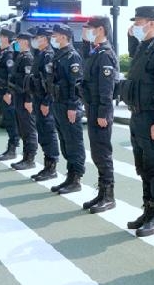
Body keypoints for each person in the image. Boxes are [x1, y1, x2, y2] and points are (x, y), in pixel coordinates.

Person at [120, 6, 154, 237]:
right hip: (138, 116)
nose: (135, 26)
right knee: (143, 167)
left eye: (139, 22)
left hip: (153, 118)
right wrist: (129, 36)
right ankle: (148, 210)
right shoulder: (144, 48)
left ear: (151, 23)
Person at [80, 16, 119, 213]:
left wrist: (103, 111)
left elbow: (107, 87)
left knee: (102, 153)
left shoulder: (105, 54)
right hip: (92, 107)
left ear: (101, 30)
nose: (86, 32)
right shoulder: (95, 52)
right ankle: (102, 192)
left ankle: (109, 195)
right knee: (97, 152)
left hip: (100, 110)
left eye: (90, 28)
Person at [48, 23, 86, 195]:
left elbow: (75, 84)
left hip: (68, 105)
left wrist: (72, 106)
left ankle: (76, 178)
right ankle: (70, 176)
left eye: (55, 35)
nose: (53, 38)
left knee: (73, 142)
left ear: (63, 36)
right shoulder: (59, 55)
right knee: (64, 141)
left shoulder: (72, 56)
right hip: (58, 103)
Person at [28, 27, 62, 181]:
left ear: (46, 39)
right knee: (42, 132)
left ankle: (52, 167)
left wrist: (47, 101)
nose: (35, 40)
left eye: (39, 37)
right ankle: (47, 165)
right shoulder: (40, 54)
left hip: (45, 100)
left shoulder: (48, 55)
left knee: (48, 132)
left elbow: (50, 81)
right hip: (38, 98)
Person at [9, 31, 39, 170]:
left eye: (19, 41)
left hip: (25, 98)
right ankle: (25, 157)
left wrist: (28, 99)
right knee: (22, 128)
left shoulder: (27, 58)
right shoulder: (21, 56)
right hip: (18, 96)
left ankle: (30, 158)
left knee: (28, 129)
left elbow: (28, 82)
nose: (16, 43)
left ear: (25, 42)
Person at [0, 28, 21, 161]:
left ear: (6, 38)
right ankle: (11, 148)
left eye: (0, 36)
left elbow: (11, 75)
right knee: (7, 119)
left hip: (7, 93)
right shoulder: (3, 53)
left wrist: (8, 92)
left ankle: (12, 149)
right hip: (2, 91)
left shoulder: (9, 55)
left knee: (11, 121)